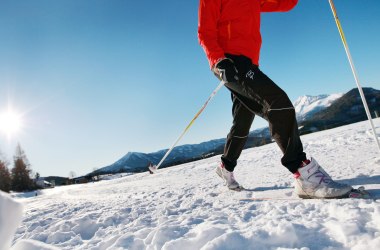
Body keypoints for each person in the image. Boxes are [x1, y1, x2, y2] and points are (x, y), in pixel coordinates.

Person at [198, 0, 352, 198]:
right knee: (278, 104)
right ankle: (303, 174)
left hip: (250, 64)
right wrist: (218, 60)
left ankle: (225, 167)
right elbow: (205, 32)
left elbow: (284, 4)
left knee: (242, 121)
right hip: (230, 62)